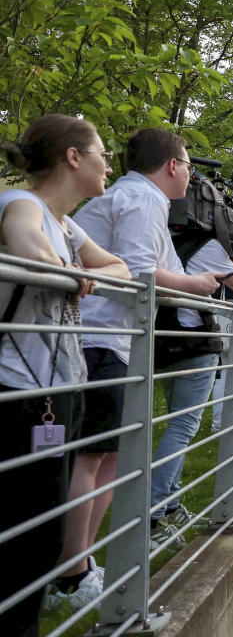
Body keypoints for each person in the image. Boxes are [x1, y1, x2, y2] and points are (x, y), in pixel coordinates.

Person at [73, 127, 233, 566]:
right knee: (96, 456)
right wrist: (198, 283)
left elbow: (158, 268)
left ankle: (82, 563)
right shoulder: (143, 199)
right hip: (99, 338)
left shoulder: (138, 199)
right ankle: (73, 570)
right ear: (172, 166)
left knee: (111, 454)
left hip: (108, 339)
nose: (191, 176)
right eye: (189, 166)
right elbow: (141, 272)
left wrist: (189, 283)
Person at [0, 115, 130, 632]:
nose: (107, 163)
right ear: (73, 158)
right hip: (17, 393)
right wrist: (65, 269)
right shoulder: (21, 203)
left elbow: (119, 268)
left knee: (42, 532)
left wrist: (74, 272)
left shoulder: (67, 224)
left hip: (56, 390)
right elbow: (28, 247)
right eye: (101, 152)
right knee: (23, 535)